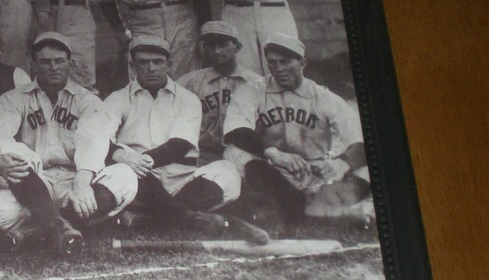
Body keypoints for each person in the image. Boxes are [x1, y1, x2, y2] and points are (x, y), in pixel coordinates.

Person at [0, 32, 138, 254]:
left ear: (70, 64)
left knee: (126, 177)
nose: (53, 67)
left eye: (59, 61)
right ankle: (61, 225)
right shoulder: (13, 98)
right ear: (34, 65)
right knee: (12, 156)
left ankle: (36, 230)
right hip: (32, 182)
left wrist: (82, 183)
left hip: (75, 181)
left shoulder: (87, 100)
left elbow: (93, 141)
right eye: (45, 62)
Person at [104, 36, 246, 234]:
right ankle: (186, 218)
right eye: (143, 62)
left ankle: (148, 218)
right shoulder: (117, 99)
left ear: (169, 64)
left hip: (181, 180)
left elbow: (180, 145)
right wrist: (121, 154)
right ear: (132, 65)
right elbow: (99, 138)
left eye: (158, 62)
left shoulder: (188, 99)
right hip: (138, 180)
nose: (151, 68)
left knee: (228, 172)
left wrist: (142, 160)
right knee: (124, 170)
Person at [223, 34, 371, 221]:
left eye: (285, 62)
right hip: (267, 163)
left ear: (302, 63)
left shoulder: (323, 97)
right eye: (272, 63)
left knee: (362, 170)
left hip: (309, 174)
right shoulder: (253, 90)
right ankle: (296, 208)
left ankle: (289, 206)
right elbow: (237, 131)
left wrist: (343, 162)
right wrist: (274, 153)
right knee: (234, 152)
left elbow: (360, 140)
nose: (279, 69)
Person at [177, 21, 263, 164]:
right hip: (200, 154)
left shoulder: (256, 83)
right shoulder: (188, 82)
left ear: (237, 47)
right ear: (204, 47)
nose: (216, 51)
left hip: (241, 153)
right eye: (210, 45)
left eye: (223, 45)